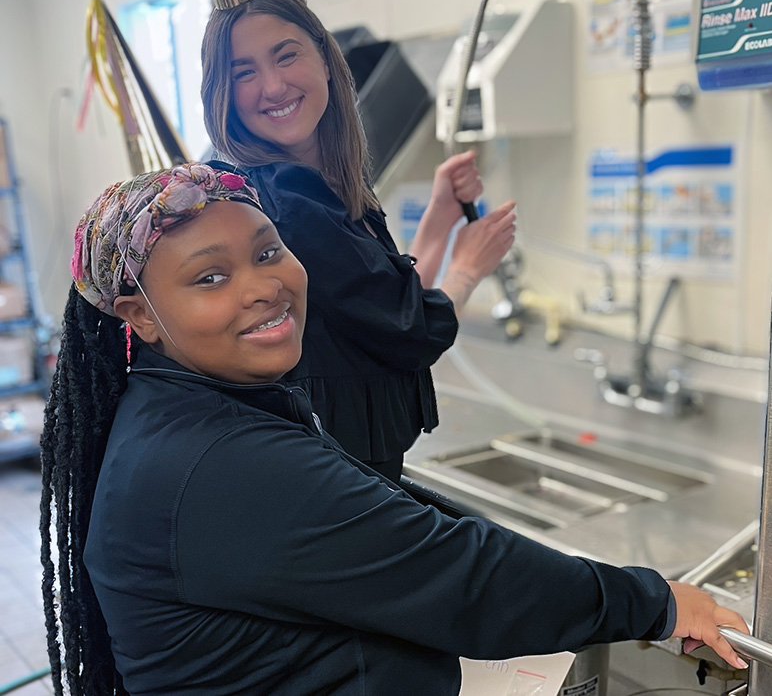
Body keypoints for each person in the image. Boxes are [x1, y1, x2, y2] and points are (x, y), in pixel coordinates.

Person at [41, 162, 749, 696]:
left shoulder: (191, 405)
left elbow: (393, 517)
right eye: (208, 279)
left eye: (265, 252)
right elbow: (464, 580)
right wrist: (654, 602)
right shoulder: (218, 463)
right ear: (137, 318)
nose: (260, 286)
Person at [199, 0, 516, 480]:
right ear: (222, 92)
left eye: (285, 55)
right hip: (329, 487)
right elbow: (414, 329)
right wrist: (468, 265)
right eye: (244, 71)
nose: (272, 86)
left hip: (346, 477)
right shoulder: (284, 203)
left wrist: (438, 216)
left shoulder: (316, 187)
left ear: (324, 56)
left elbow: (384, 312)